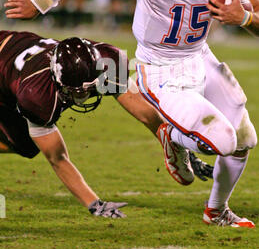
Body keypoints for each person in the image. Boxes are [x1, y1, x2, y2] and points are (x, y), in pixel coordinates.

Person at [5, 0, 259, 227]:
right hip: (159, 67)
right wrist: (40, 1)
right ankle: (172, 138)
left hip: (200, 56)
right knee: (224, 141)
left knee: (245, 140)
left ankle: (216, 211)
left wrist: (244, 16)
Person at [0, 30, 212, 219]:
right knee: (26, 144)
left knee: (26, 145)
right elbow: (57, 158)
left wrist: (180, 150)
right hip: (5, 73)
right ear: (59, 84)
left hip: (15, 50)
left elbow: (146, 113)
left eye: (92, 86)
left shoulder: (107, 60)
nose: (88, 95)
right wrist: (95, 204)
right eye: (80, 92)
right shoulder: (36, 95)